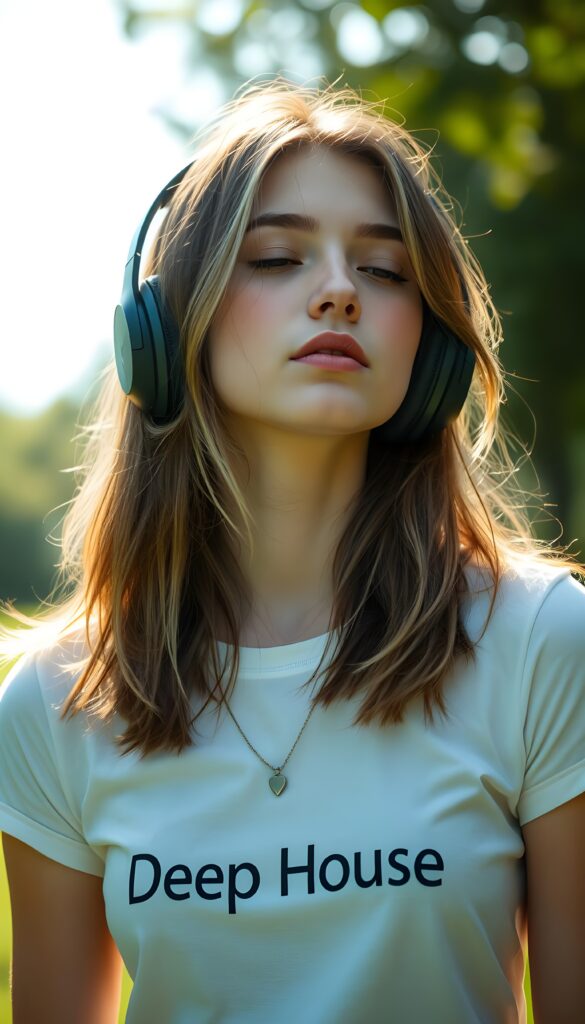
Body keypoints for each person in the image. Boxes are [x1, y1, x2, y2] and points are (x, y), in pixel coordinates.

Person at [0, 76, 584, 1024]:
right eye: (275, 257)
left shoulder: (541, 644)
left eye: (385, 272)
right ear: (162, 332)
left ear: (426, 352)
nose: (340, 291)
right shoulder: (57, 702)